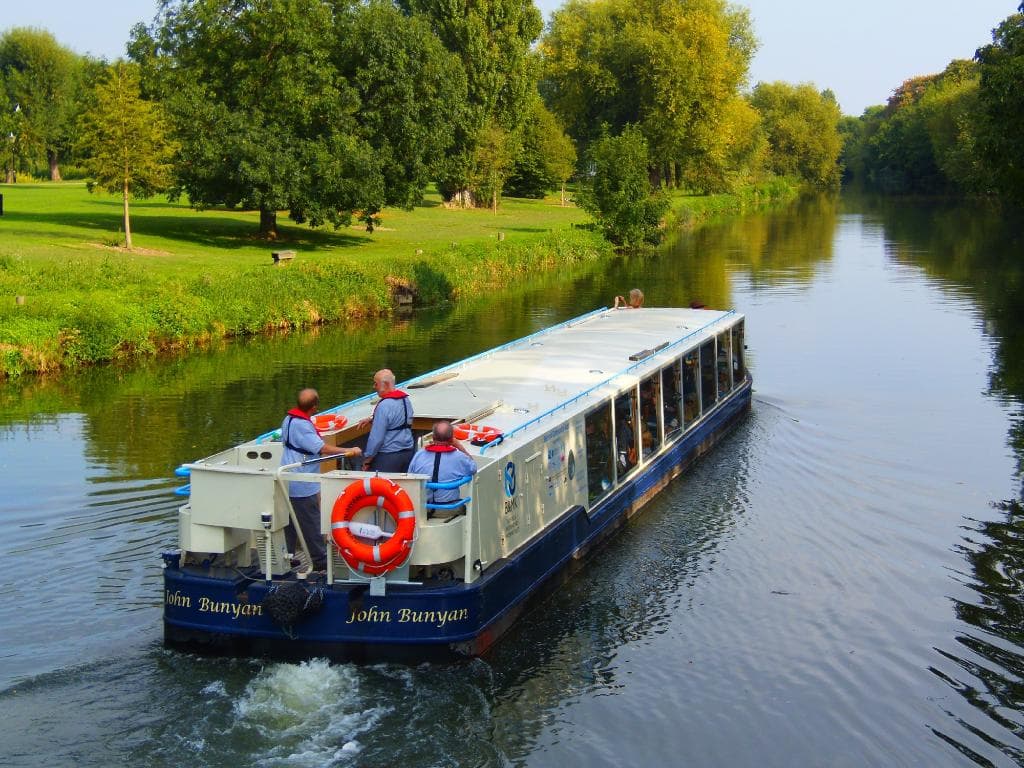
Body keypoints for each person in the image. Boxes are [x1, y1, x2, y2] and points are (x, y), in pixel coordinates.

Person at [280, 388, 361, 571]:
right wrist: (349, 451)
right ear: (314, 407)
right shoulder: (303, 425)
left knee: (290, 522)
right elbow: (322, 449)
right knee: (311, 521)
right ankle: (319, 560)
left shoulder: (288, 420)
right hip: (302, 483)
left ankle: (288, 555)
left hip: (287, 479)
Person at [407, 421, 478, 515]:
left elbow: (410, 474)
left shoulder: (419, 455)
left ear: (433, 437)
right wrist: (460, 446)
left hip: (423, 509)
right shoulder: (459, 457)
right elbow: (473, 468)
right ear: (451, 439)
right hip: (448, 510)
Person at [360, 369, 415, 472]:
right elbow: (398, 420)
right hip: (408, 454)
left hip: (389, 457)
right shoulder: (406, 400)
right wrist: (373, 419)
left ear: (385, 384)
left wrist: (367, 459)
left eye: (376, 384)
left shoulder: (384, 406)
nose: (373, 387)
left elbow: (376, 439)